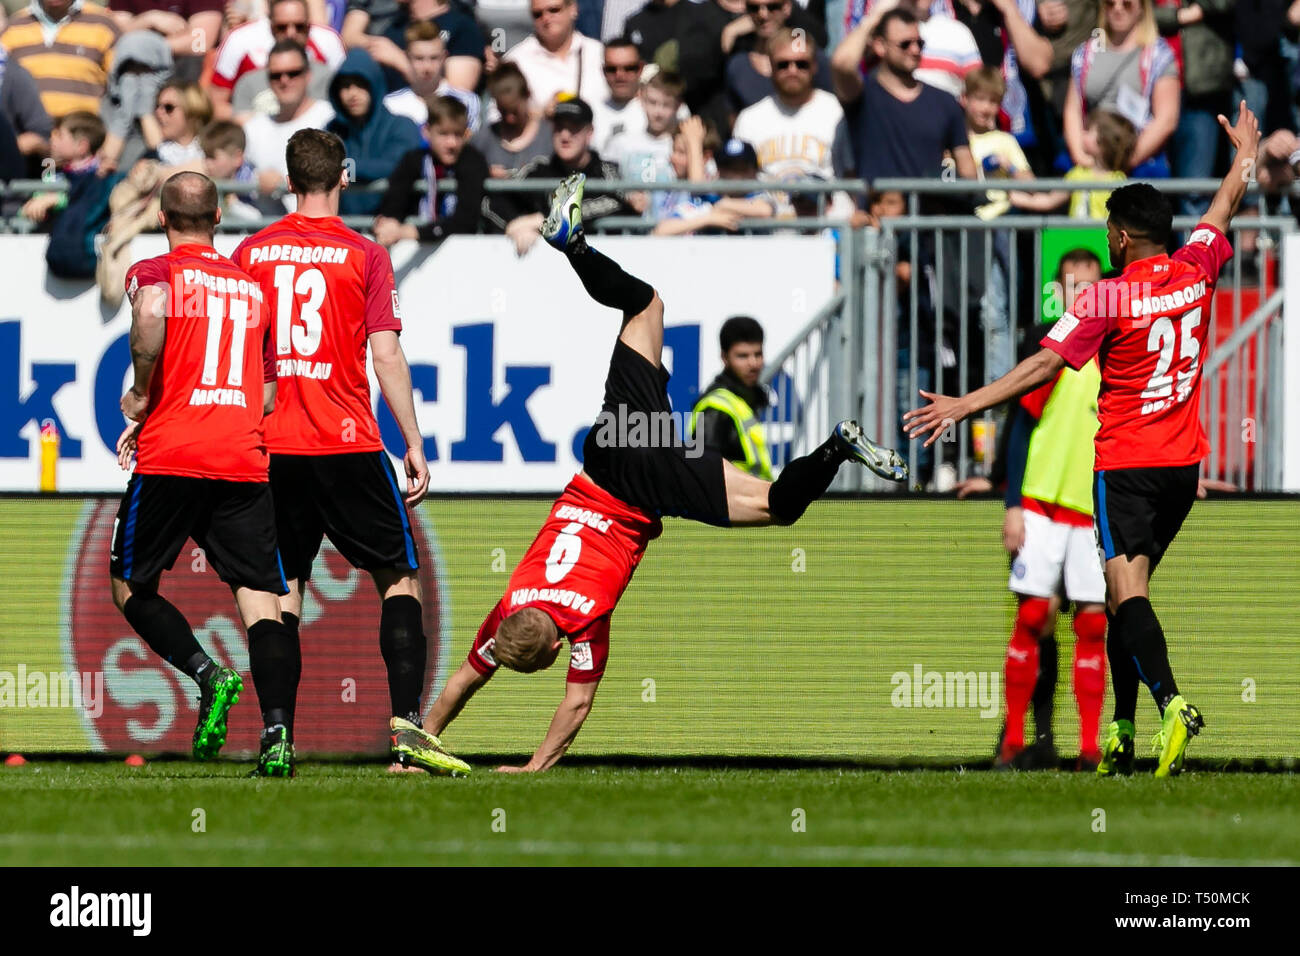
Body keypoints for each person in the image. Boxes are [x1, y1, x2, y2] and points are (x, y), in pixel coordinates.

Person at [421, 173, 907, 772]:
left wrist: (531, 766)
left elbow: (572, 706)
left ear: (551, 650)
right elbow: (467, 676)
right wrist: (421, 735)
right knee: (643, 303)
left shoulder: (581, 621)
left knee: (781, 506)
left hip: (648, 485)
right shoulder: (512, 602)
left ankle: (835, 449)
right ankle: (573, 245)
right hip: (612, 449)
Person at [905, 102, 1260, 778]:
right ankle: (1121, 731)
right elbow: (1226, 205)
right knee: (1128, 592)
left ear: (1121, 237)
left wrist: (965, 403)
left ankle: (1171, 704)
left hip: (1125, 465)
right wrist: (1245, 151)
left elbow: (1043, 365)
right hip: (1184, 466)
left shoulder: (1104, 297)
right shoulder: (1195, 270)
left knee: (1125, 596)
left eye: (1107, 231)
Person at [232, 127, 453, 778]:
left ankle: (278, 735)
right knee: (398, 579)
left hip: (276, 447)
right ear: (345, 178)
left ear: (288, 182)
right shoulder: (365, 255)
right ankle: (407, 733)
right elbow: (385, 354)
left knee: (282, 592)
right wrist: (411, 441)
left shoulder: (252, 253)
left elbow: (250, 359)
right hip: (350, 442)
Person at [111, 171, 290, 770]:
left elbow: (154, 314)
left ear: (162, 220)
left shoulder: (157, 274)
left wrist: (141, 396)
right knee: (261, 599)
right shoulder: (250, 288)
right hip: (240, 456)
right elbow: (265, 396)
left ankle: (208, 675)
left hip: (171, 455)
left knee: (130, 587)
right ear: (218, 220)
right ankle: (278, 735)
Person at [987, 248, 1108, 772]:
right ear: (1059, 293)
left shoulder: (1115, 350)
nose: (1081, 295)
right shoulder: (1050, 349)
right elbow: (1020, 428)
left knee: (1093, 625)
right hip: (1040, 502)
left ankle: (1088, 749)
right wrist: (1013, 504)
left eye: (1090, 287)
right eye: (1072, 287)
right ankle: (1013, 742)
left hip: (1090, 510)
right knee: (1034, 617)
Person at [485, 95, 637, 255]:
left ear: (590, 132)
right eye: (559, 127)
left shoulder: (608, 171)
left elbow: (619, 201)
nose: (565, 135)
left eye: (574, 128)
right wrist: (515, 226)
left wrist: (543, 221)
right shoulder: (538, 170)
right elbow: (493, 201)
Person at [1062, 0, 1179, 176]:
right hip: (1089, 161)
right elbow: (1072, 110)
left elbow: (1166, 120)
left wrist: (1122, 163)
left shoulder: (1158, 54)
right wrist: (1081, 158)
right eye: (1110, 4)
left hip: (1139, 165)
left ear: (1141, 7)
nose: (1117, 9)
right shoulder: (1085, 53)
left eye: (1126, 4)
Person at [373, 93, 487, 244]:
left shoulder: (473, 160)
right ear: (426, 132)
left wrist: (414, 232)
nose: (451, 143)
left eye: (458, 135)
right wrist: (390, 222)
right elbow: (395, 197)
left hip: (463, 251)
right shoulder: (413, 159)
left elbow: (466, 219)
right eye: (443, 134)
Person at [209, 0, 346, 121]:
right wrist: (261, 125)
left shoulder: (328, 41)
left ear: (309, 25)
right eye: (282, 27)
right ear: (270, 25)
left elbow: (345, 97)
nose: (291, 33)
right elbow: (215, 104)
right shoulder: (240, 40)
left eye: (299, 27)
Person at [325, 47, 422, 214]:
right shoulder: (331, 131)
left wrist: (345, 167)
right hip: (344, 230)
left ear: (374, 85)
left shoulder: (402, 126)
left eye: (361, 85)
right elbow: (319, 169)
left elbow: (397, 167)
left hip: (393, 230)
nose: (352, 94)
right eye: (345, 86)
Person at [242, 39, 336, 206]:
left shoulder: (330, 119)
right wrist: (255, 179)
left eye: (293, 73)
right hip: (266, 227)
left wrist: (283, 183)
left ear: (308, 75)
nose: (284, 80)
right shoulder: (253, 128)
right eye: (275, 75)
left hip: (315, 228)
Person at [1, 0, 119, 119]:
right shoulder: (13, 28)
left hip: (84, 132)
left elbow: (121, 91)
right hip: (28, 133)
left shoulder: (103, 24)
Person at [690, 315, 773, 479]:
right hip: (733, 502)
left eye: (758, 354)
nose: (753, 363)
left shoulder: (744, 400)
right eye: (742, 356)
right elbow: (705, 474)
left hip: (752, 499)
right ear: (724, 357)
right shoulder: (714, 408)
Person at [503, 0, 608, 113]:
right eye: (538, 14)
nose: (546, 18)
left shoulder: (600, 54)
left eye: (554, 10)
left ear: (573, 8)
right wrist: (540, 115)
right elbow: (496, 119)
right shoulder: (515, 61)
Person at [381, 20, 481, 131]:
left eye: (434, 58)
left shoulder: (467, 101)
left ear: (444, 57)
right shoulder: (391, 105)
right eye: (419, 58)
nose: (427, 67)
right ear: (407, 58)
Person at [471, 62, 553, 179]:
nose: (509, 118)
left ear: (527, 95)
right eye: (503, 111)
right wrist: (484, 173)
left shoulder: (550, 135)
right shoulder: (483, 139)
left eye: (515, 111)